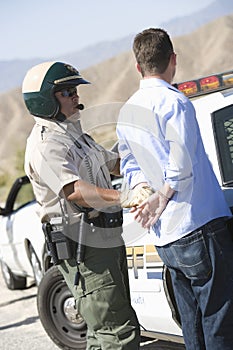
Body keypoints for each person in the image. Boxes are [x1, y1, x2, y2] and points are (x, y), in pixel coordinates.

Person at [116, 28, 233, 350]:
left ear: (138, 66)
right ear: (173, 60)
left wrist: (143, 191)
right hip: (197, 224)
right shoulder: (175, 102)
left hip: (165, 236)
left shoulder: (127, 112)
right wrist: (160, 197)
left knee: (192, 323)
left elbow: (129, 164)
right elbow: (181, 166)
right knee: (218, 321)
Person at [22, 61, 142, 349]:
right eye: (66, 92)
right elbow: (74, 191)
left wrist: (144, 151)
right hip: (84, 246)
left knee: (102, 332)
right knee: (118, 333)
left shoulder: (73, 135)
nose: (76, 96)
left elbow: (112, 164)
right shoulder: (45, 144)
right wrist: (125, 197)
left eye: (74, 90)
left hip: (103, 238)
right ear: (46, 100)